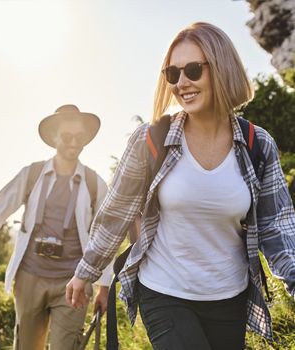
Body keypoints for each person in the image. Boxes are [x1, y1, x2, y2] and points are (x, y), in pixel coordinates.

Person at [66, 22, 295, 350]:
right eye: (172, 74)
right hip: (164, 292)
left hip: (229, 297)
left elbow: (278, 228)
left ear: (222, 69)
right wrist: (85, 271)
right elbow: (116, 212)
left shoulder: (257, 144)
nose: (181, 83)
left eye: (192, 70)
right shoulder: (150, 140)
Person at [0, 104, 113, 350]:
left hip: (74, 281)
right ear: (54, 138)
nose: (74, 143)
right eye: (67, 136)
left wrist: (104, 286)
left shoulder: (94, 183)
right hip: (29, 278)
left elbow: (106, 234)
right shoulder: (32, 175)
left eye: (80, 137)